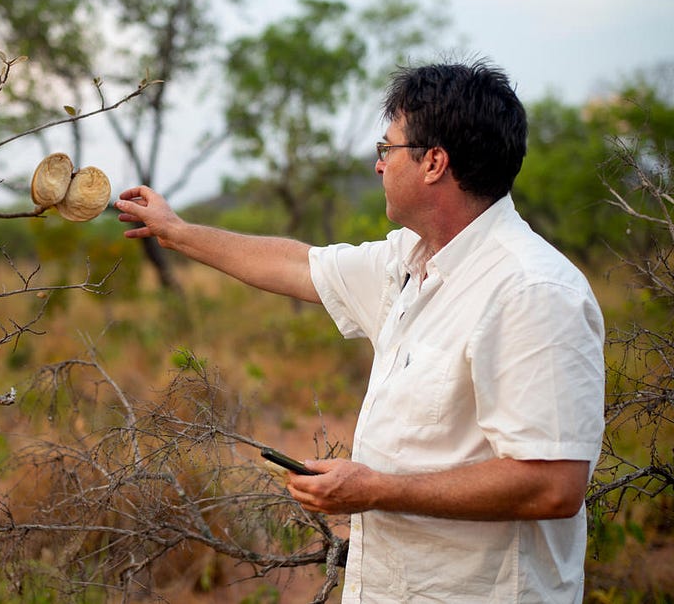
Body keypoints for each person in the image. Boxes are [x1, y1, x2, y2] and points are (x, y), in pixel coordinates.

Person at [114, 59, 606, 602]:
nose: (377, 165)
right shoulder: (408, 260)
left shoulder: (532, 290)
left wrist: (378, 489)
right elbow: (298, 265)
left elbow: (554, 484)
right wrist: (177, 232)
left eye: (387, 148)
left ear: (434, 162)